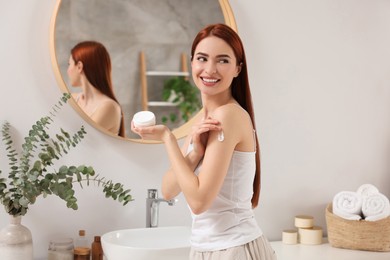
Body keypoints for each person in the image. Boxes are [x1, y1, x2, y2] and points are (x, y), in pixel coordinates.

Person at [132, 23, 276, 259]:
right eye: (202, 58)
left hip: (233, 248)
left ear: (238, 69)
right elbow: (168, 190)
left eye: (222, 60)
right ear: (192, 63)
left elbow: (199, 202)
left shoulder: (227, 116)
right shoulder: (204, 119)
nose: (210, 70)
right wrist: (194, 153)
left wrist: (167, 138)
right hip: (207, 248)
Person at [67, 41, 125, 137]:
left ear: (79, 67)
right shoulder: (72, 99)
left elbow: (78, 140)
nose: (68, 70)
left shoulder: (109, 107)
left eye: (69, 64)